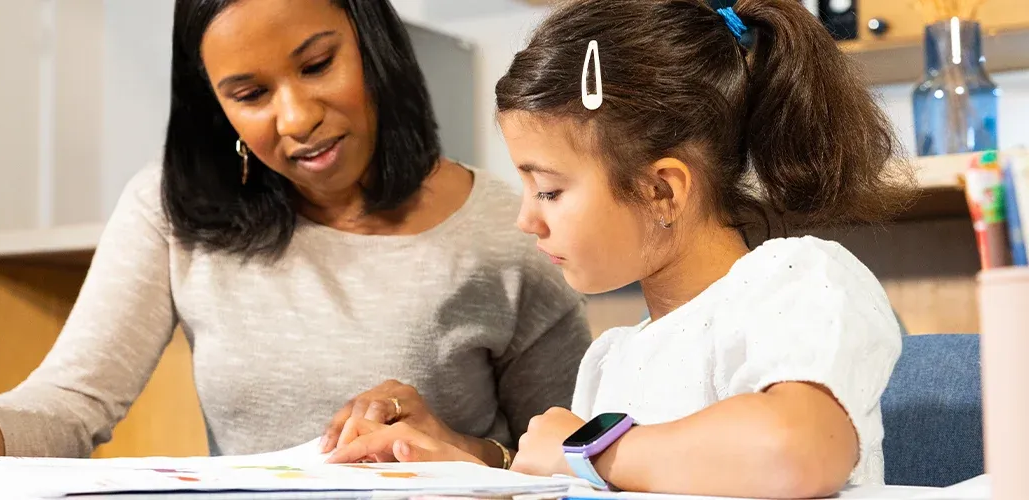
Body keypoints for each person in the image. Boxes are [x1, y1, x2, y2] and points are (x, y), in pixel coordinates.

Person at [0, 0, 591, 490]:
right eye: (250, 94)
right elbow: (69, 405)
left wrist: (467, 450)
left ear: (375, 48)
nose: (294, 118)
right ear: (216, 105)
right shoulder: (172, 210)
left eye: (319, 63)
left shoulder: (512, 228)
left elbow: (578, 462)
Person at [326, 0, 917, 497]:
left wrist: (586, 448)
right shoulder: (614, 357)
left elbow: (796, 449)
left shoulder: (798, 281)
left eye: (550, 190)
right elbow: (600, 469)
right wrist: (473, 461)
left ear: (661, 190)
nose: (526, 218)